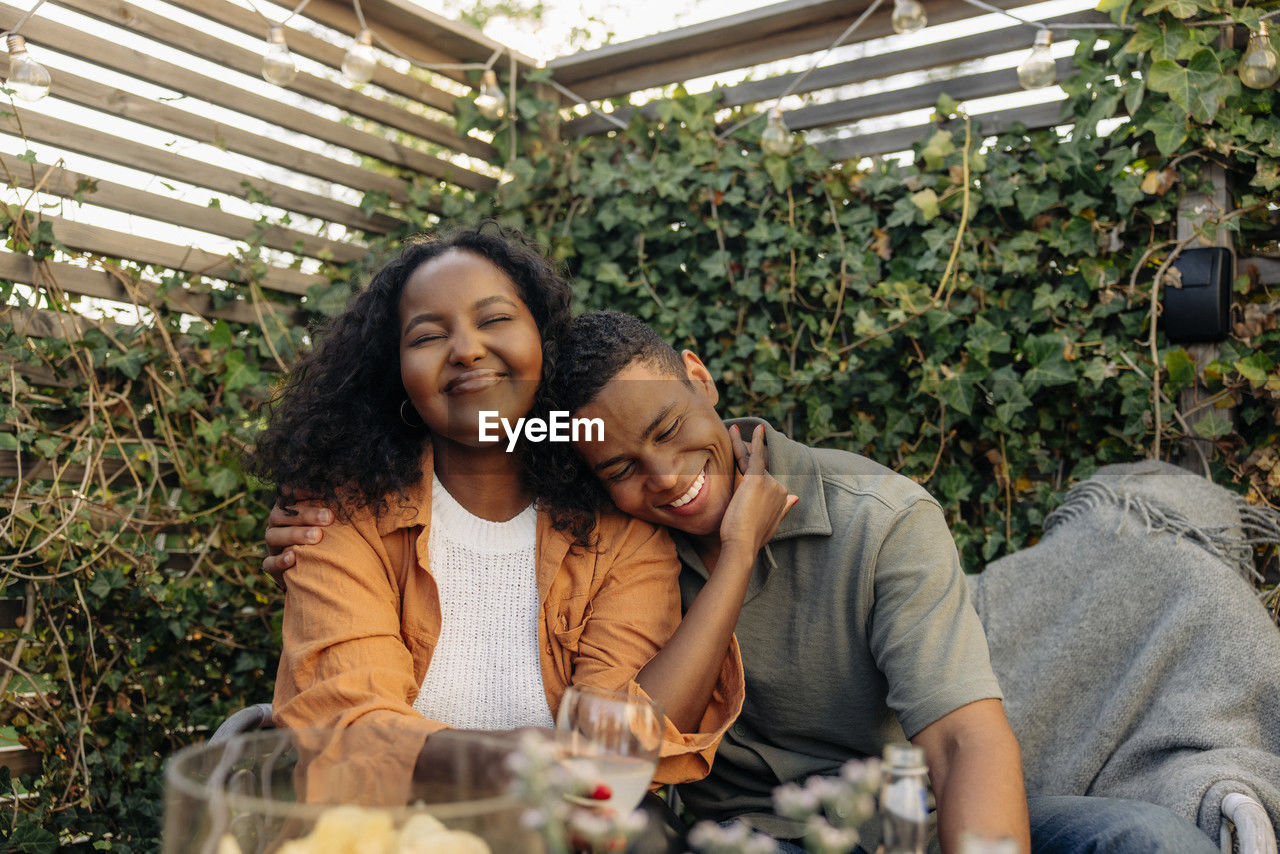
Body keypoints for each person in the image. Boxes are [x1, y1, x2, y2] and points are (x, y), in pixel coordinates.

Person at [265, 309, 1220, 853]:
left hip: (899, 818)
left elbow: (966, 738)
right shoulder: (605, 542)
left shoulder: (879, 517)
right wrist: (320, 517)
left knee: (1145, 841)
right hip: (739, 838)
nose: (664, 478)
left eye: (669, 431)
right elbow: (467, 468)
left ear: (699, 377)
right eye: (621, 469)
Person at [246, 229, 795, 803]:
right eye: (428, 336)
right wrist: (559, 760)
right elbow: (352, 729)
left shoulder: (618, 527)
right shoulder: (335, 517)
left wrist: (737, 555)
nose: (466, 349)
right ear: (399, 375)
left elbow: (627, 746)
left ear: (543, 345)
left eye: (494, 320)